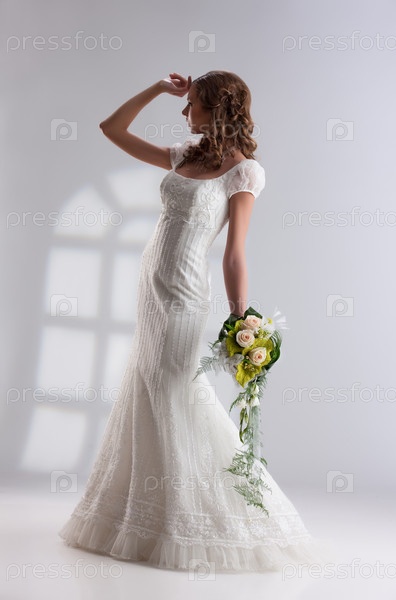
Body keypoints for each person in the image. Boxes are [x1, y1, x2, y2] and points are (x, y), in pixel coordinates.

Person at [58, 70, 334, 573]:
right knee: (148, 386)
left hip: (186, 291)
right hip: (151, 287)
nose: (185, 112)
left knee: (177, 390)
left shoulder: (244, 172)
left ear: (218, 107)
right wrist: (157, 88)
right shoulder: (187, 154)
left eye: (193, 104)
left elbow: (234, 253)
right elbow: (110, 129)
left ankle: (218, 515)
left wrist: (240, 319)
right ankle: (149, 512)